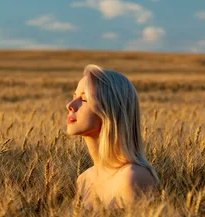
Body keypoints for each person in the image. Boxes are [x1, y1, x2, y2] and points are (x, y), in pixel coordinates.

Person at [65, 64, 159, 209]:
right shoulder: (83, 180)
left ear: (110, 109)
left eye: (84, 99)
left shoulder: (132, 178)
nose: (70, 105)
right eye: (73, 97)